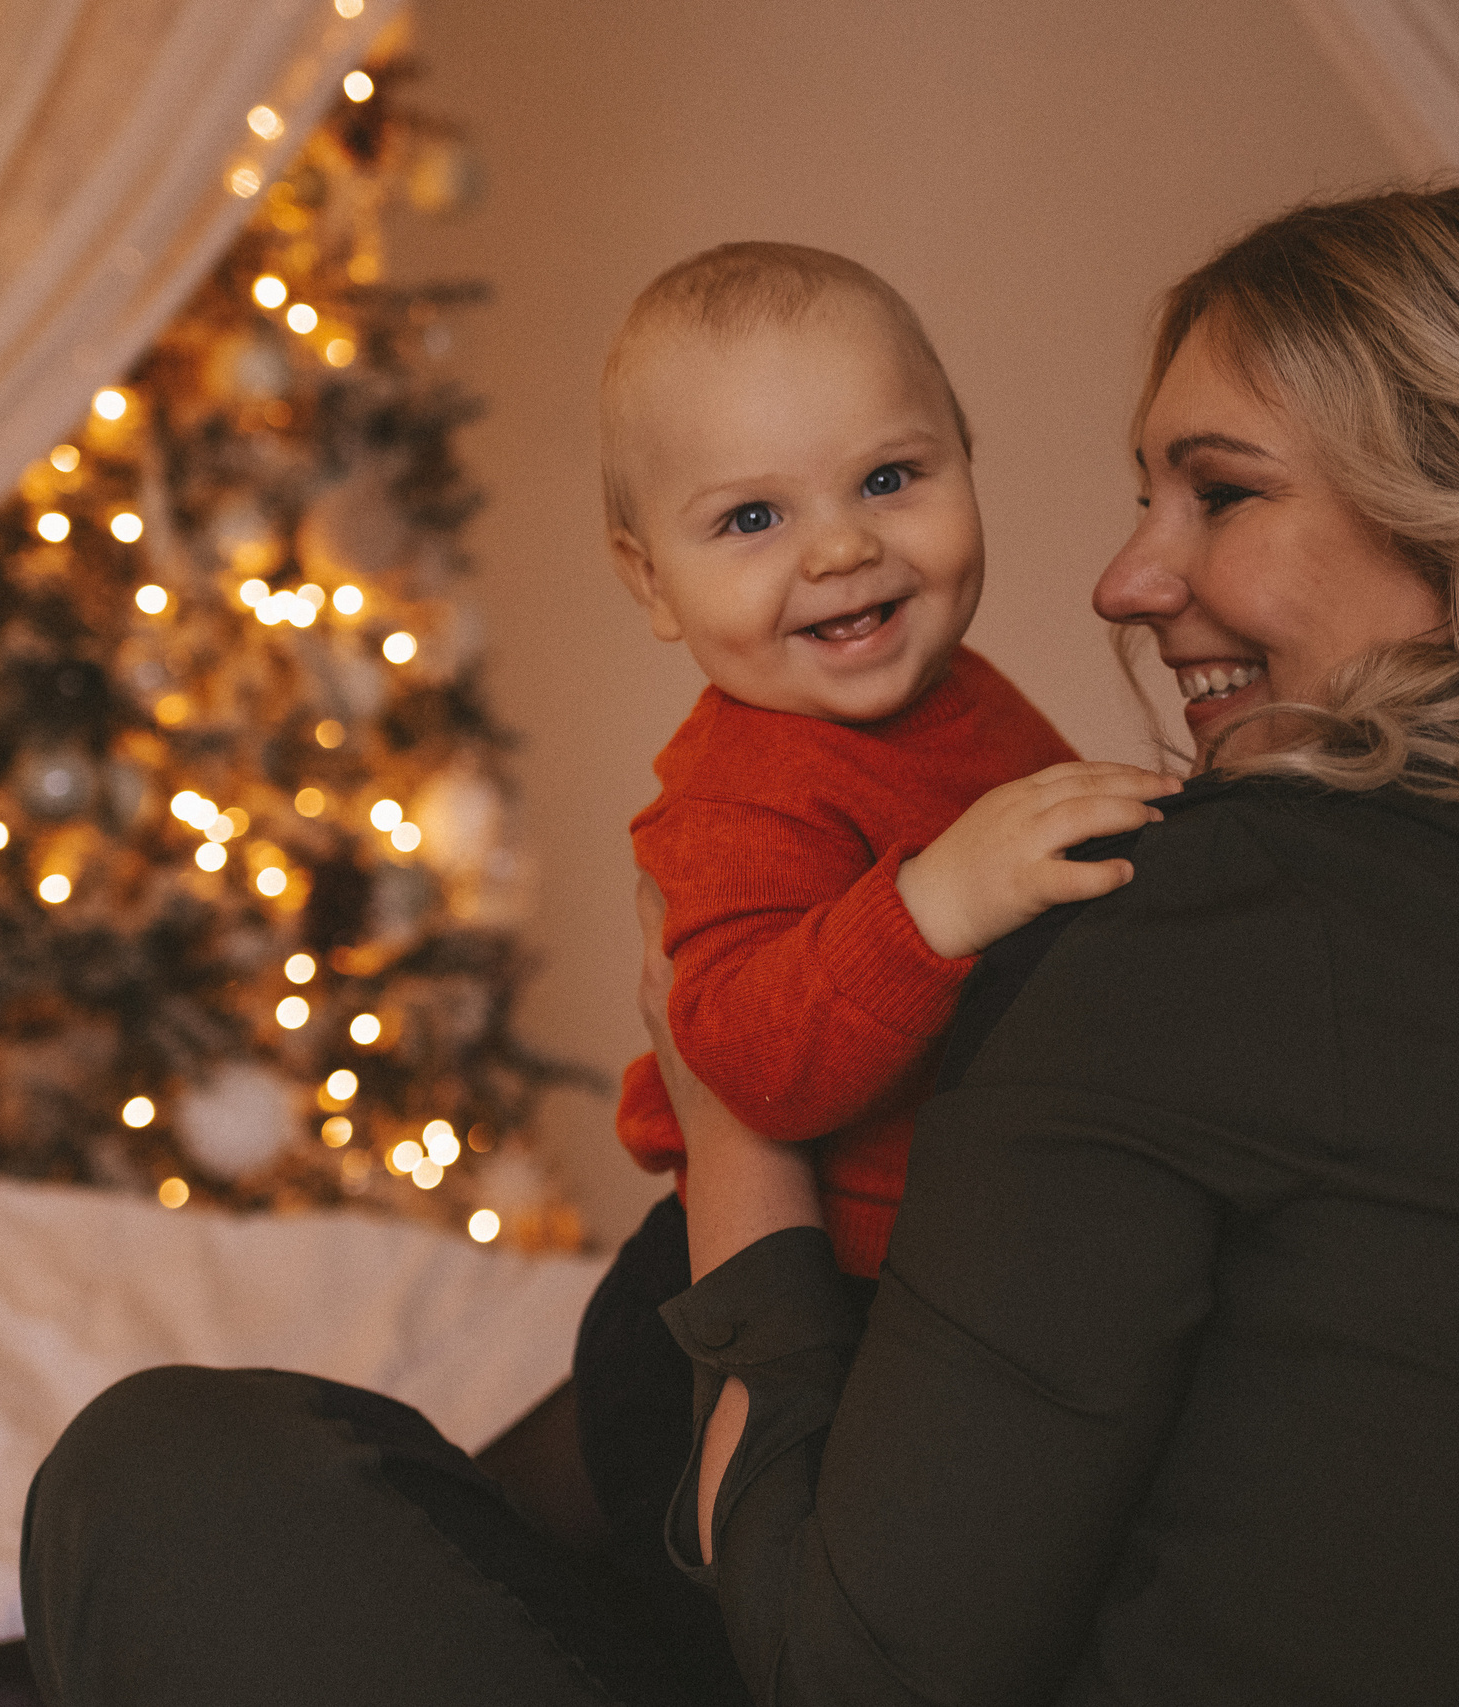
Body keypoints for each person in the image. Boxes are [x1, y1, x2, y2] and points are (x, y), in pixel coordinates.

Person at [0, 181, 1459, 1707]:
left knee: (182, 1467)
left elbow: (845, 1659)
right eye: (1133, 491)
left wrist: (726, 1109)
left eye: (1215, 493)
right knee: (569, 1407)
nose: (1118, 579)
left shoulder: (1217, 905)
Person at [578, 239, 1175, 1682]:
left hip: (920, 1279)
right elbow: (748, 1062)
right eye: (753, 518)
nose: (841, 548)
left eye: (890, 480)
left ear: (970, 461)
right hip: (744, 1318)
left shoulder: (962, 700)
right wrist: (934, 902)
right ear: (650, 582)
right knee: (729, 1651)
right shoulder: (738, 794)